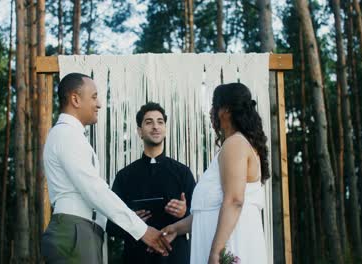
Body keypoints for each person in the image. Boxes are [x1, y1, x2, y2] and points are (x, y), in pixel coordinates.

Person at [41, 73, 171, 263]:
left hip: (81, 231)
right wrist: (141, 230)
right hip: (75, 231)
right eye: (94, 97)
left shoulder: (71, 135)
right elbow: (94, 190)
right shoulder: (66, 135)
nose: (99, 104)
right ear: (75, 99)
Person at [162, 83, 270, 264]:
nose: (211, 111)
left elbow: (234, 201)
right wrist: (176, 228)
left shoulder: (235, 144)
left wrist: (216, 252)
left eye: (214, 106)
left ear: (225, 110)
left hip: (232, 244)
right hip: (222, 240)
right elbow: (209, 211)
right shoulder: (234, 145)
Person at [106, 102, 196, 264]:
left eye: (160, 122)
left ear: (165, 130)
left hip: (175, 258)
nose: (155, 126)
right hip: (136, 258)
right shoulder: (124, 176)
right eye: (149, 122)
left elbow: (200, 218)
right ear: (140, 131)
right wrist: (130, 220)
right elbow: (110, 226)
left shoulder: (182, 172)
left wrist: (185, 212)